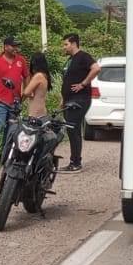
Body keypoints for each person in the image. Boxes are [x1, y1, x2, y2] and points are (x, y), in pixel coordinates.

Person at [59, 33, 100, 172]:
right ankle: (74, 161)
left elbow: (96, 68)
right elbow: (67, 80)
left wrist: (83, 84)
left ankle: (76, 163)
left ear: (74, 43)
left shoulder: (83, 56)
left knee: (73, 128)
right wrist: (63, 99)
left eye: (66, 44)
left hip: (80, 99)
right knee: (71, 130)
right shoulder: (70, 59)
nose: (64, 47)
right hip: (69, 100)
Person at [0, 36, 28, 161]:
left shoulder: (21, 60)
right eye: (13, 46)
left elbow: (26, 76)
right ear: (5, 46)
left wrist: (25, 91)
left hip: (15, 101)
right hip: (0, 101)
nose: (16, 48)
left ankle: (4, 155)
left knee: (10, 131)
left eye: (16, 46)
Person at [23, 51, 52, 117]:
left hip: (36, 112)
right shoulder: (44, 75)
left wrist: (23, 80)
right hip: (41, 111)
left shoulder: (38, 76)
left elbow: (26, 92)